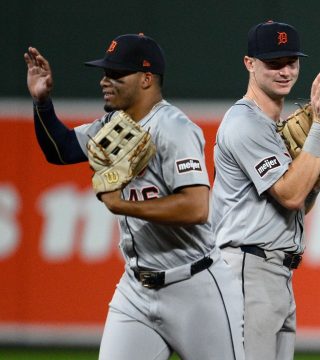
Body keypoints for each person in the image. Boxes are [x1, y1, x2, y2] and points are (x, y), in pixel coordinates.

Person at [25, 34, 244, 360]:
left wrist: (122, 205)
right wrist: (42, 101)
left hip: (197, 288)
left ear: (146, 79)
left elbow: (197, 207)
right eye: (105, 73)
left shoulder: (174, 128)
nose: (105, 81)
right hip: (136, 289)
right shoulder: (114, 124)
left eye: (116, 74)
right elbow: (61, 150)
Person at [211, 20, 320, 360]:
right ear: (250, 64)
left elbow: (300, 204)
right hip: (248, 269)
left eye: (291, 62)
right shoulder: (245, 123)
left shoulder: (273, 127)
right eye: (273, 63)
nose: (285, 71)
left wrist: (316, 169)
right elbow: (290, 194)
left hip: (276, 272)